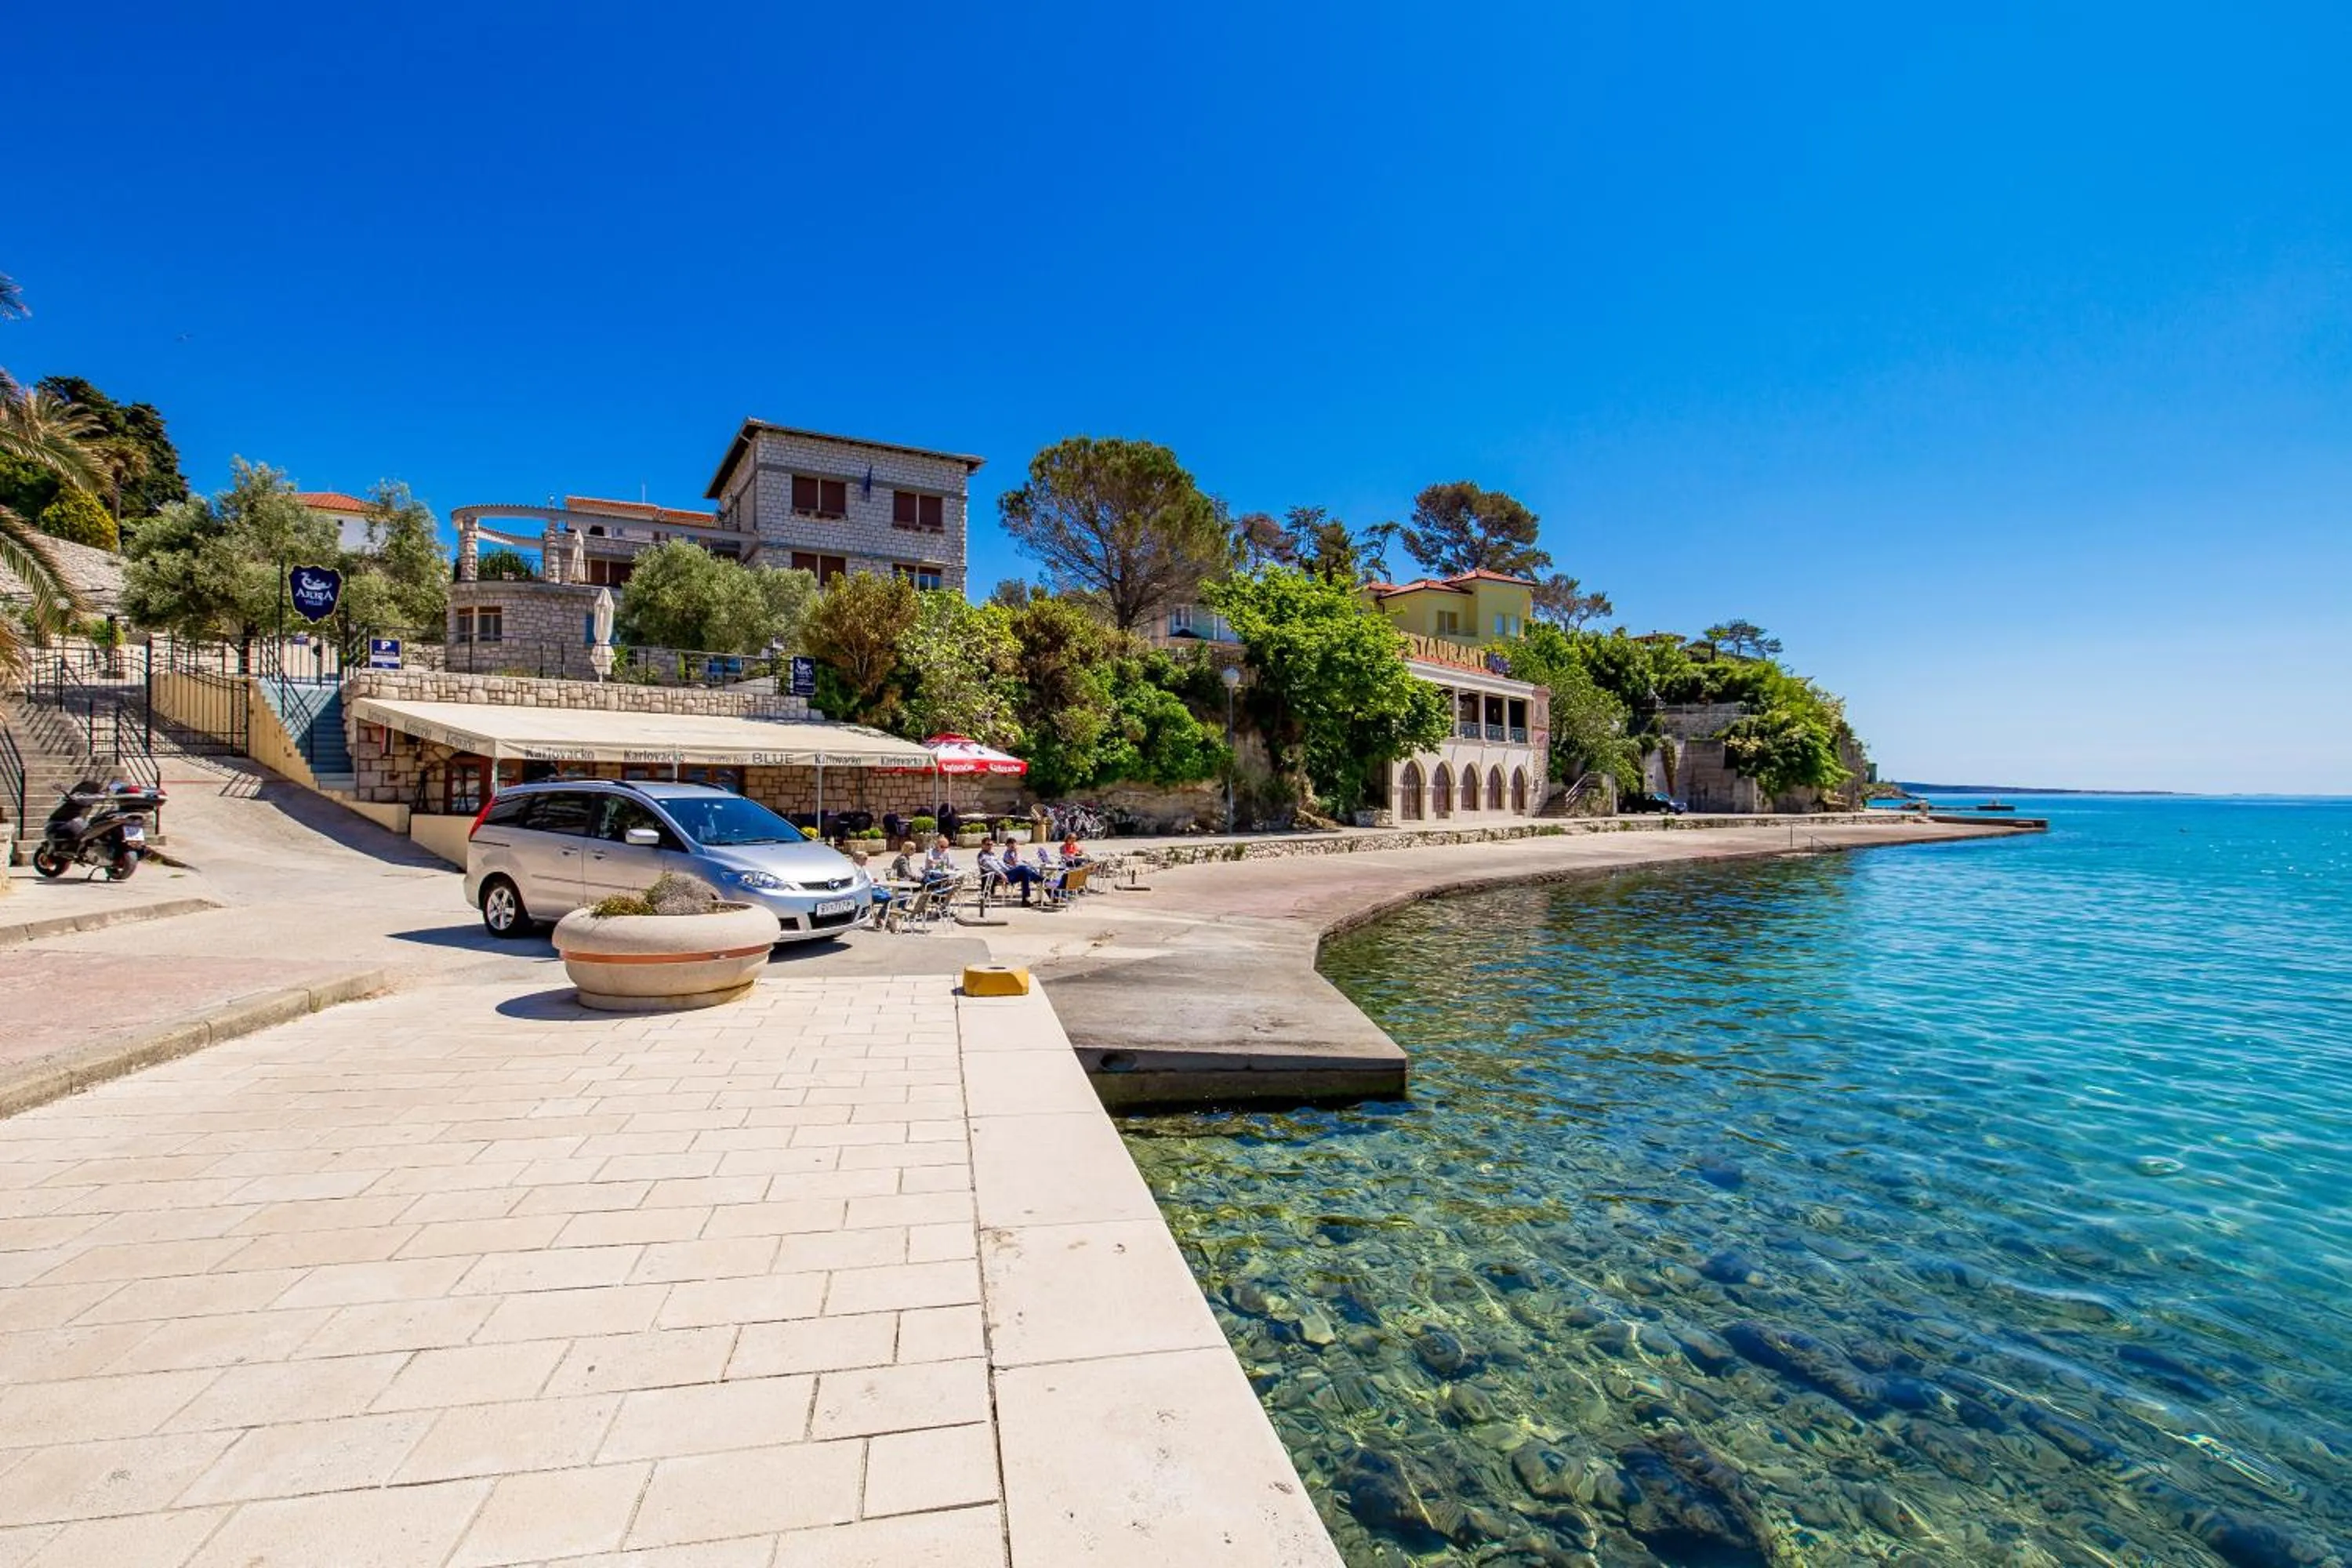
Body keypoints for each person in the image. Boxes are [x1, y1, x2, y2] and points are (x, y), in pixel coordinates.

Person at [1000, 839, 1048, 907]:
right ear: (1007, 846)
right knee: (1035, 876)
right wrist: (1016, 852)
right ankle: (1053, 894)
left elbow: (1019, 862)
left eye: (1015, 845)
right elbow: (1014, 863)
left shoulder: (1013, 853)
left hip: (1021, 872)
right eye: (1012, 845)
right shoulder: (1007, 854)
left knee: (1033, 877)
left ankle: (1029, 900)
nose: (1014, 847)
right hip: (1013, 874)